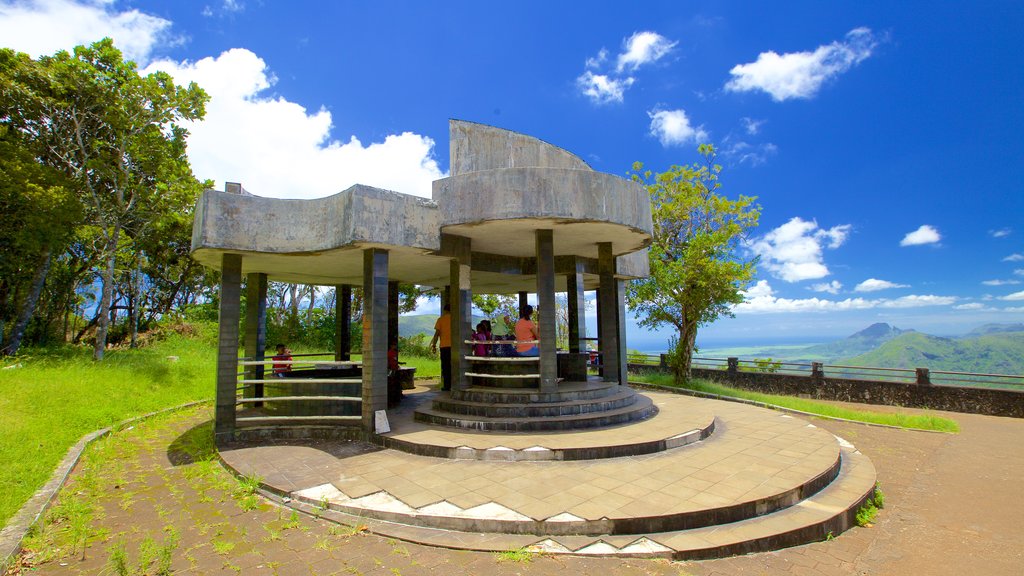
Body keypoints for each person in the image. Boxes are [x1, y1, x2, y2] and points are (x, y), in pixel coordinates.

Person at [429, 304, 452, 391]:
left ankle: (447, 386)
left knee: (445, 367)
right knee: (454, 366)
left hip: (444, 346)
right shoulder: (455, 319)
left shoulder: (440, 320)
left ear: (444, 310)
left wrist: (434, 345)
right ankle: (455, 384)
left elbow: (437, 334)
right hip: (454, 347)